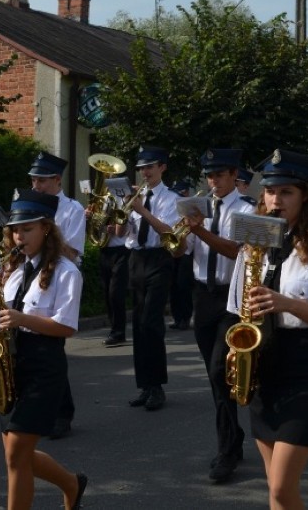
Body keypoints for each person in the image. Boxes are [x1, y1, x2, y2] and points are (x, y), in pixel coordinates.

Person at [226, 148, 308, 509]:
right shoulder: (253, 246)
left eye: (286, 192)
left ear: (304, 197)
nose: (275, 200)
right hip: (264, 363)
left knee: (283, 488)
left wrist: (290, 303)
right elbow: (240, 312)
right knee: (274, 491)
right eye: (270, 192)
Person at [0, 188, 86, 510]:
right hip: (12, 367)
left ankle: (71, 485)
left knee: (15, 457)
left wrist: (22, 318)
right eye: (15, 230)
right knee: (16, 452)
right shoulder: (16, 271)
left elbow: (67, 327)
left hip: (44, 368)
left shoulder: (66, 271)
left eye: (27, 229)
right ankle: (71, 484)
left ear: (45, 228)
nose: (19, 236)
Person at [181, 148, 255, 482]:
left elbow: (234, 249)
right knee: (215, 377)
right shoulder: (201, 206)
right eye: (209, 176)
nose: (213, 181)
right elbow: (183, 249)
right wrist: (181, 235)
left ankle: (227, 451)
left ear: (233, 175)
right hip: (202, 294)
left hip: (231, 296)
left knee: (217, 370)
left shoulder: (247, 210)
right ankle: (232, 436)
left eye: (220, 175)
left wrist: (198, 231)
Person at [28, 151, 85, 439]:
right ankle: (45, 409)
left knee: (54, 347)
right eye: (33, 180)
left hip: (60, 276)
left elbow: (73, 251)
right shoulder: (31, 206)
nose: (36, 185)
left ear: (56, 180)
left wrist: (46, 236)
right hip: (34, 275)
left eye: (41, 180)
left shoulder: (72, 209)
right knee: (35, 348)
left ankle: (63, 412)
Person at [119, 145, 179, 411]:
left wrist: (142, 210)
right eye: (142, 168)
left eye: (150, 167)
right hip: (136, 260)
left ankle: (157, 387)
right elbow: (122, 233)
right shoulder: (136, 197)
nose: (145, 172)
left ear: (162, 167)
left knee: (152, 323)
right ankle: (144, 385)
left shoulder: (171, 198)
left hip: (159, 259)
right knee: (139, 325)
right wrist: (120, 213)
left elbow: (168, 231)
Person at [167, 179, 195, 331]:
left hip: (187, 252)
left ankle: (186, 317)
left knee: (183, 286)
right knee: (173, 286)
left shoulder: (190, 208)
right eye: (180, 192)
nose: (183, 195)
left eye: (184, 192)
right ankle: (177, 317)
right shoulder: (173, 208)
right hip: (172, 251)